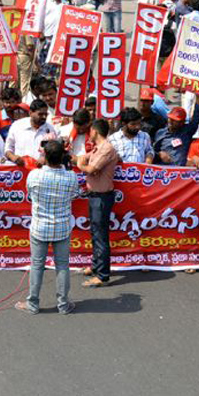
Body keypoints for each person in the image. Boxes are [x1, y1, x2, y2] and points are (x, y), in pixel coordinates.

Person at [17, 140, 80, 315]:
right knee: (62, 265)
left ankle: (33, 304)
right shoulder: (71, 177)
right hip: (61, 227)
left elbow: (30, 193)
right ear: (63, 157)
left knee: (37, 265)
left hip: (40, 227)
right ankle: (63, 304)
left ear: (44, 156)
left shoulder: (34, 175)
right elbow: (75, 195)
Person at [76, 119, 118, 287]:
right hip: (95, 195)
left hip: (102, 197)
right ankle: (96, 266)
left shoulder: (106, 148)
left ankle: (102, 275)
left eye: (90, 131)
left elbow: (91, 169)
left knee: (100, 236)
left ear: (94, 131)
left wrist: (80, 164)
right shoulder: (98, 149)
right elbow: (81, 158)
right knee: (95, 233)